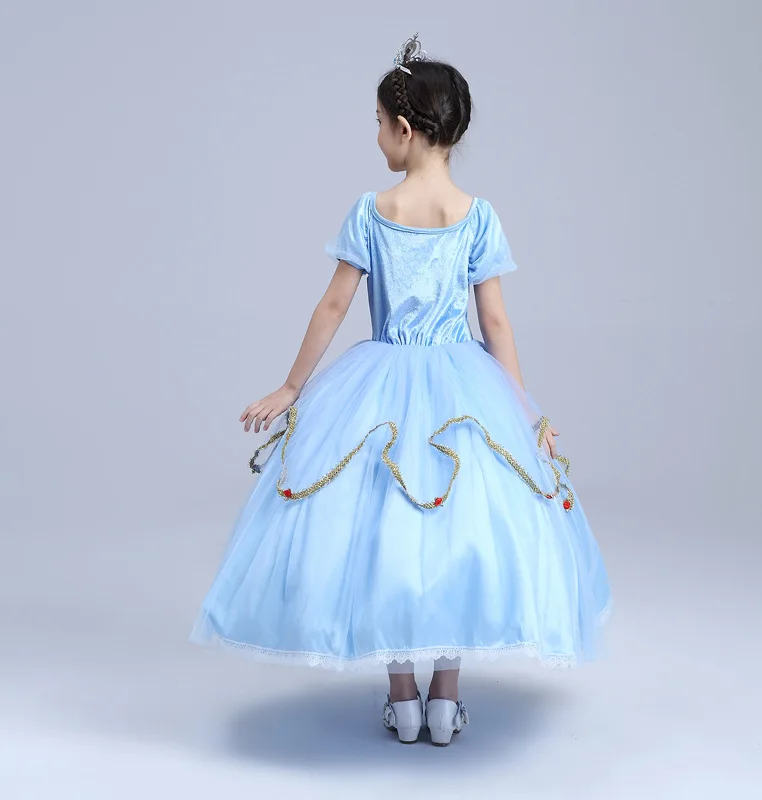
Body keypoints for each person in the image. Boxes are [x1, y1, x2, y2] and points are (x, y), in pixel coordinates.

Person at [191, 33, 612, 747]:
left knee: (383, 529)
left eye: (380, 123)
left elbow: (333, 305)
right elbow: (495, 321)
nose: (377, 135)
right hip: (462, 384)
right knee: (454, 529)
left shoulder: (373, 209)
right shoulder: (477, 214)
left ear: (406, 130)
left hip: (380, 382)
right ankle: (446, 699)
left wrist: (293, 386)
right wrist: (517, 406)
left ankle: (403, 698)